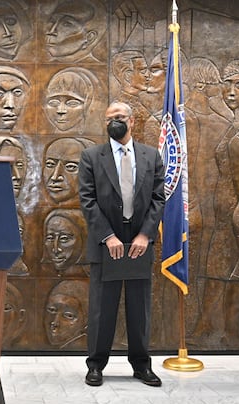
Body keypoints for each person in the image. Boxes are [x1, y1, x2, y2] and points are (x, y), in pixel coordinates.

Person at [78, 101, 165, 387]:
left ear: (132, 120)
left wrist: (145, 235)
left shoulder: (151, 156)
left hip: (139, 238)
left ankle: (141, 365)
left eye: (118, 117)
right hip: (107, 241)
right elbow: (87, 200)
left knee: (139, 307)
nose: (112, 122)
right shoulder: (92, 156)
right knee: (102, 307)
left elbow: (158, 199)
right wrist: (108, 236)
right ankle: (95, 365)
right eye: (108, 119)